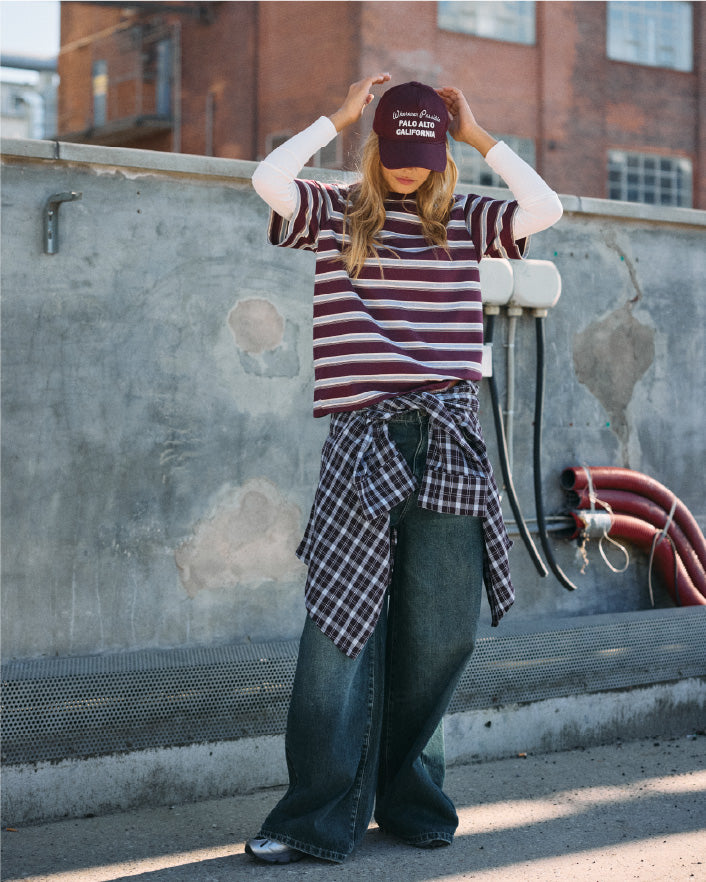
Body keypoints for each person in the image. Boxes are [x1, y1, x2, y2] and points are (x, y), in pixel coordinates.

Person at [246, 74, 563, 864]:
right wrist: (337, 117)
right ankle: (312, 818)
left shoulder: (466, 216)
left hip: (450, 435)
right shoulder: (338, 211)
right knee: (338, 630)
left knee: (438, 633)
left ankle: (413, 802)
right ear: (376, 145)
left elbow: (546, 208)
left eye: (425, 154)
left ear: (443, 153)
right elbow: (268, 179)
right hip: (363, 438)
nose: (409, 168)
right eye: (395, 151)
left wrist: (479, 133)